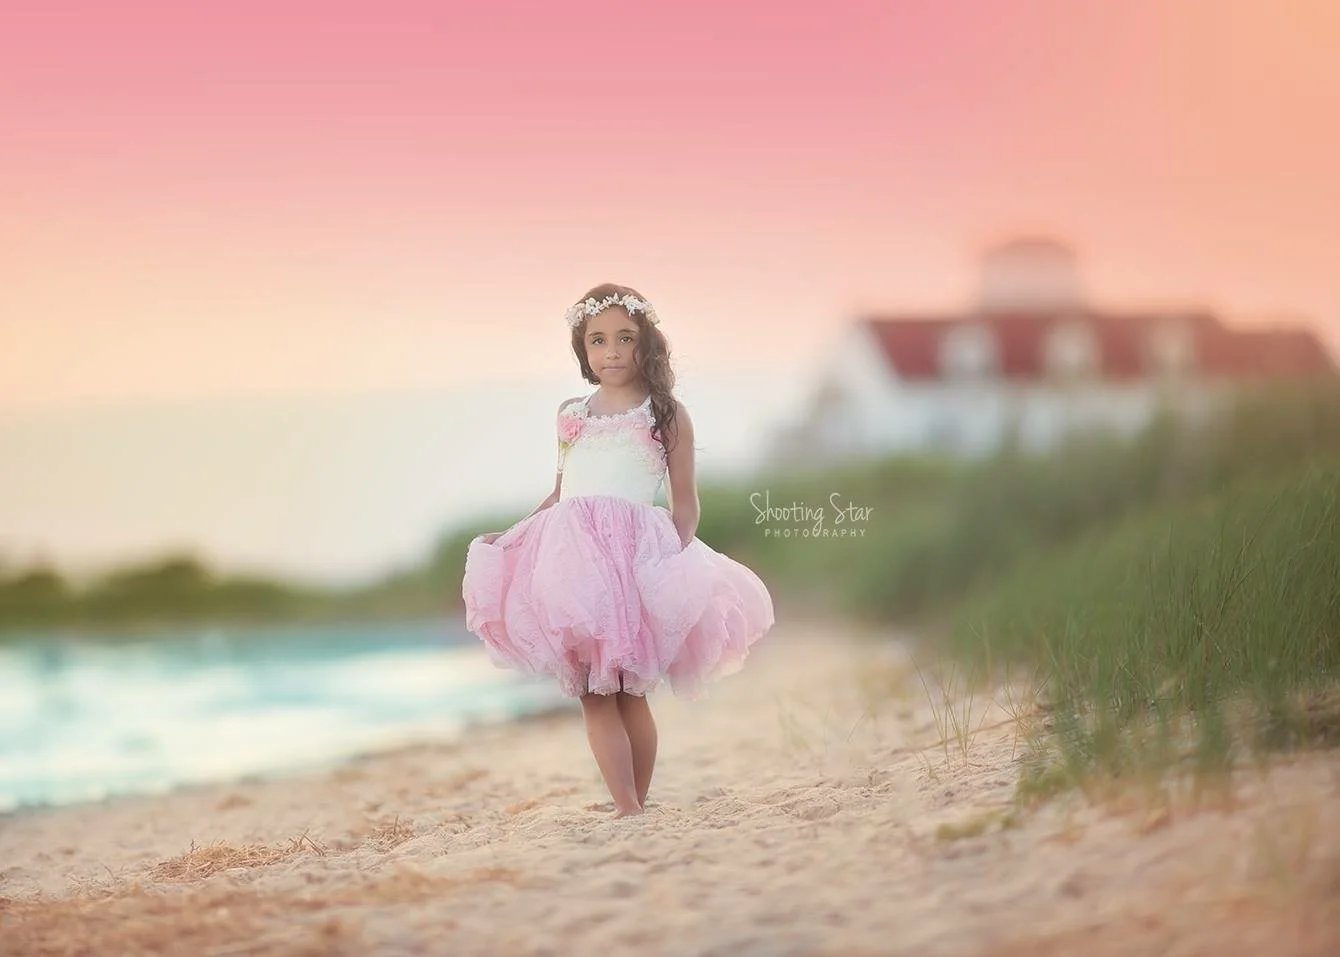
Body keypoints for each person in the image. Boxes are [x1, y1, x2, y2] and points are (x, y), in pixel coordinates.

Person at [461, 282, 775, 817]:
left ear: (644, 343)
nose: (611, 351)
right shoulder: (571, 413)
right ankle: (626, 804)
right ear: (582, 350)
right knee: (592, 691)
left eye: (624, 338)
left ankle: (636, 805)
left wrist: (671, 564)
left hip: (636, 561)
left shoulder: (665, 414)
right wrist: (514, 533)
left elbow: (686, 504)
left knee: (631, 694)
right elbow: (562, 492)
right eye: (597, 340)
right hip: (572, 563)